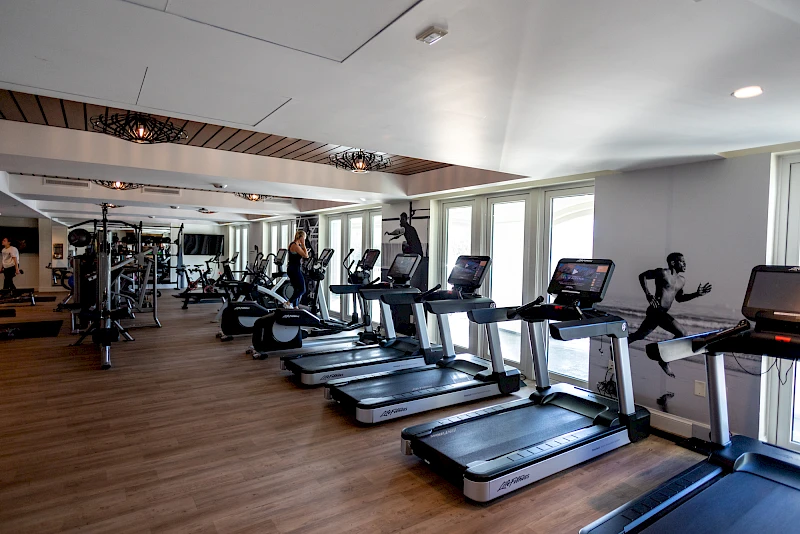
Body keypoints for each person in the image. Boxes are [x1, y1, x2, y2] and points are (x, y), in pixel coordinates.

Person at [628, 252, 712, 377]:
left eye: (685, 262)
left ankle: (621, 343)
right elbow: (642, 276)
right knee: (682, 333)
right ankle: (664, 359)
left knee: (640, 335)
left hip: (661, 313)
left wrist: (696, 294)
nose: (685, 264)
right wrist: (648, 294)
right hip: (656, 311)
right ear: (673, 263)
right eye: (682, 262)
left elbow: (680, 298)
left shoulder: (681, 280)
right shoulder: (663, 273)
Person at [286, 230, 309, 309]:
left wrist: (302, 248)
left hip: (291, 269)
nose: (304, 239)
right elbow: (306, 256)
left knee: (296, 289)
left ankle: (295, 306)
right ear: (301, 237)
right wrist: (303, 245)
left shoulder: (292, 244)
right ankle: (288, 302)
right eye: (304, 238)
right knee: (302, 289)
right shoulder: (296, 246)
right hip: (295, 269)